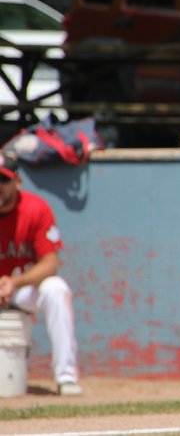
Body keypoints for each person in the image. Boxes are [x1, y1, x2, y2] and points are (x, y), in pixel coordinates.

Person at [0, 151, 83, 396]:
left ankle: (66, 377)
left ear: (17, 181)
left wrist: (14, 282)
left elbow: (50, 263)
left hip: (19, 289)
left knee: (56, 289)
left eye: (3, 180)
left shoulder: (35, 208)